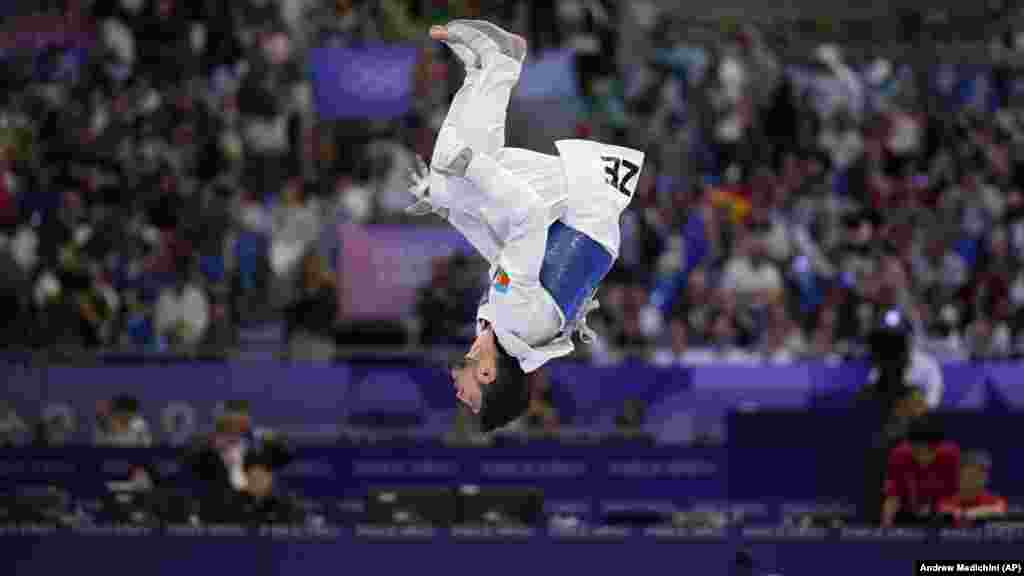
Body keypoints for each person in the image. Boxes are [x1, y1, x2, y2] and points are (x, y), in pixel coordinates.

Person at [407, 20, 645, 432]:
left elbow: (504, 254)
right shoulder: (512, 317)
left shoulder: (500, 328)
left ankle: (486, 70)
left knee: (447, 189)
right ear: (487, 376)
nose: (459, 397)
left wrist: (450, 213)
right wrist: (473, 166)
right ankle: (498, 64)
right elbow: (529, 216)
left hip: (578, 227)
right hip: (579, 212)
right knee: (456, 166)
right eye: (470, 400)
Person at [881, 417, 960, 526]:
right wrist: (886, 525)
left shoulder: (951, 456)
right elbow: (893, 497)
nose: (923, 458)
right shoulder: (899, 456)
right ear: (909, 446)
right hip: (907, 515)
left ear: (939, 446)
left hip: (943, 514)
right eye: (917, 452)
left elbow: (957, 495)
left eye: (930, 451)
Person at [936, 451, 1008, 527]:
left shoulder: (995, 500)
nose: (982, 477)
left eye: (983, 472)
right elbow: (944, 511)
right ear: (959, 476)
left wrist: (969, 513)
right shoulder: (945, 502)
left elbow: (999, 509)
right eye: (972, 473)